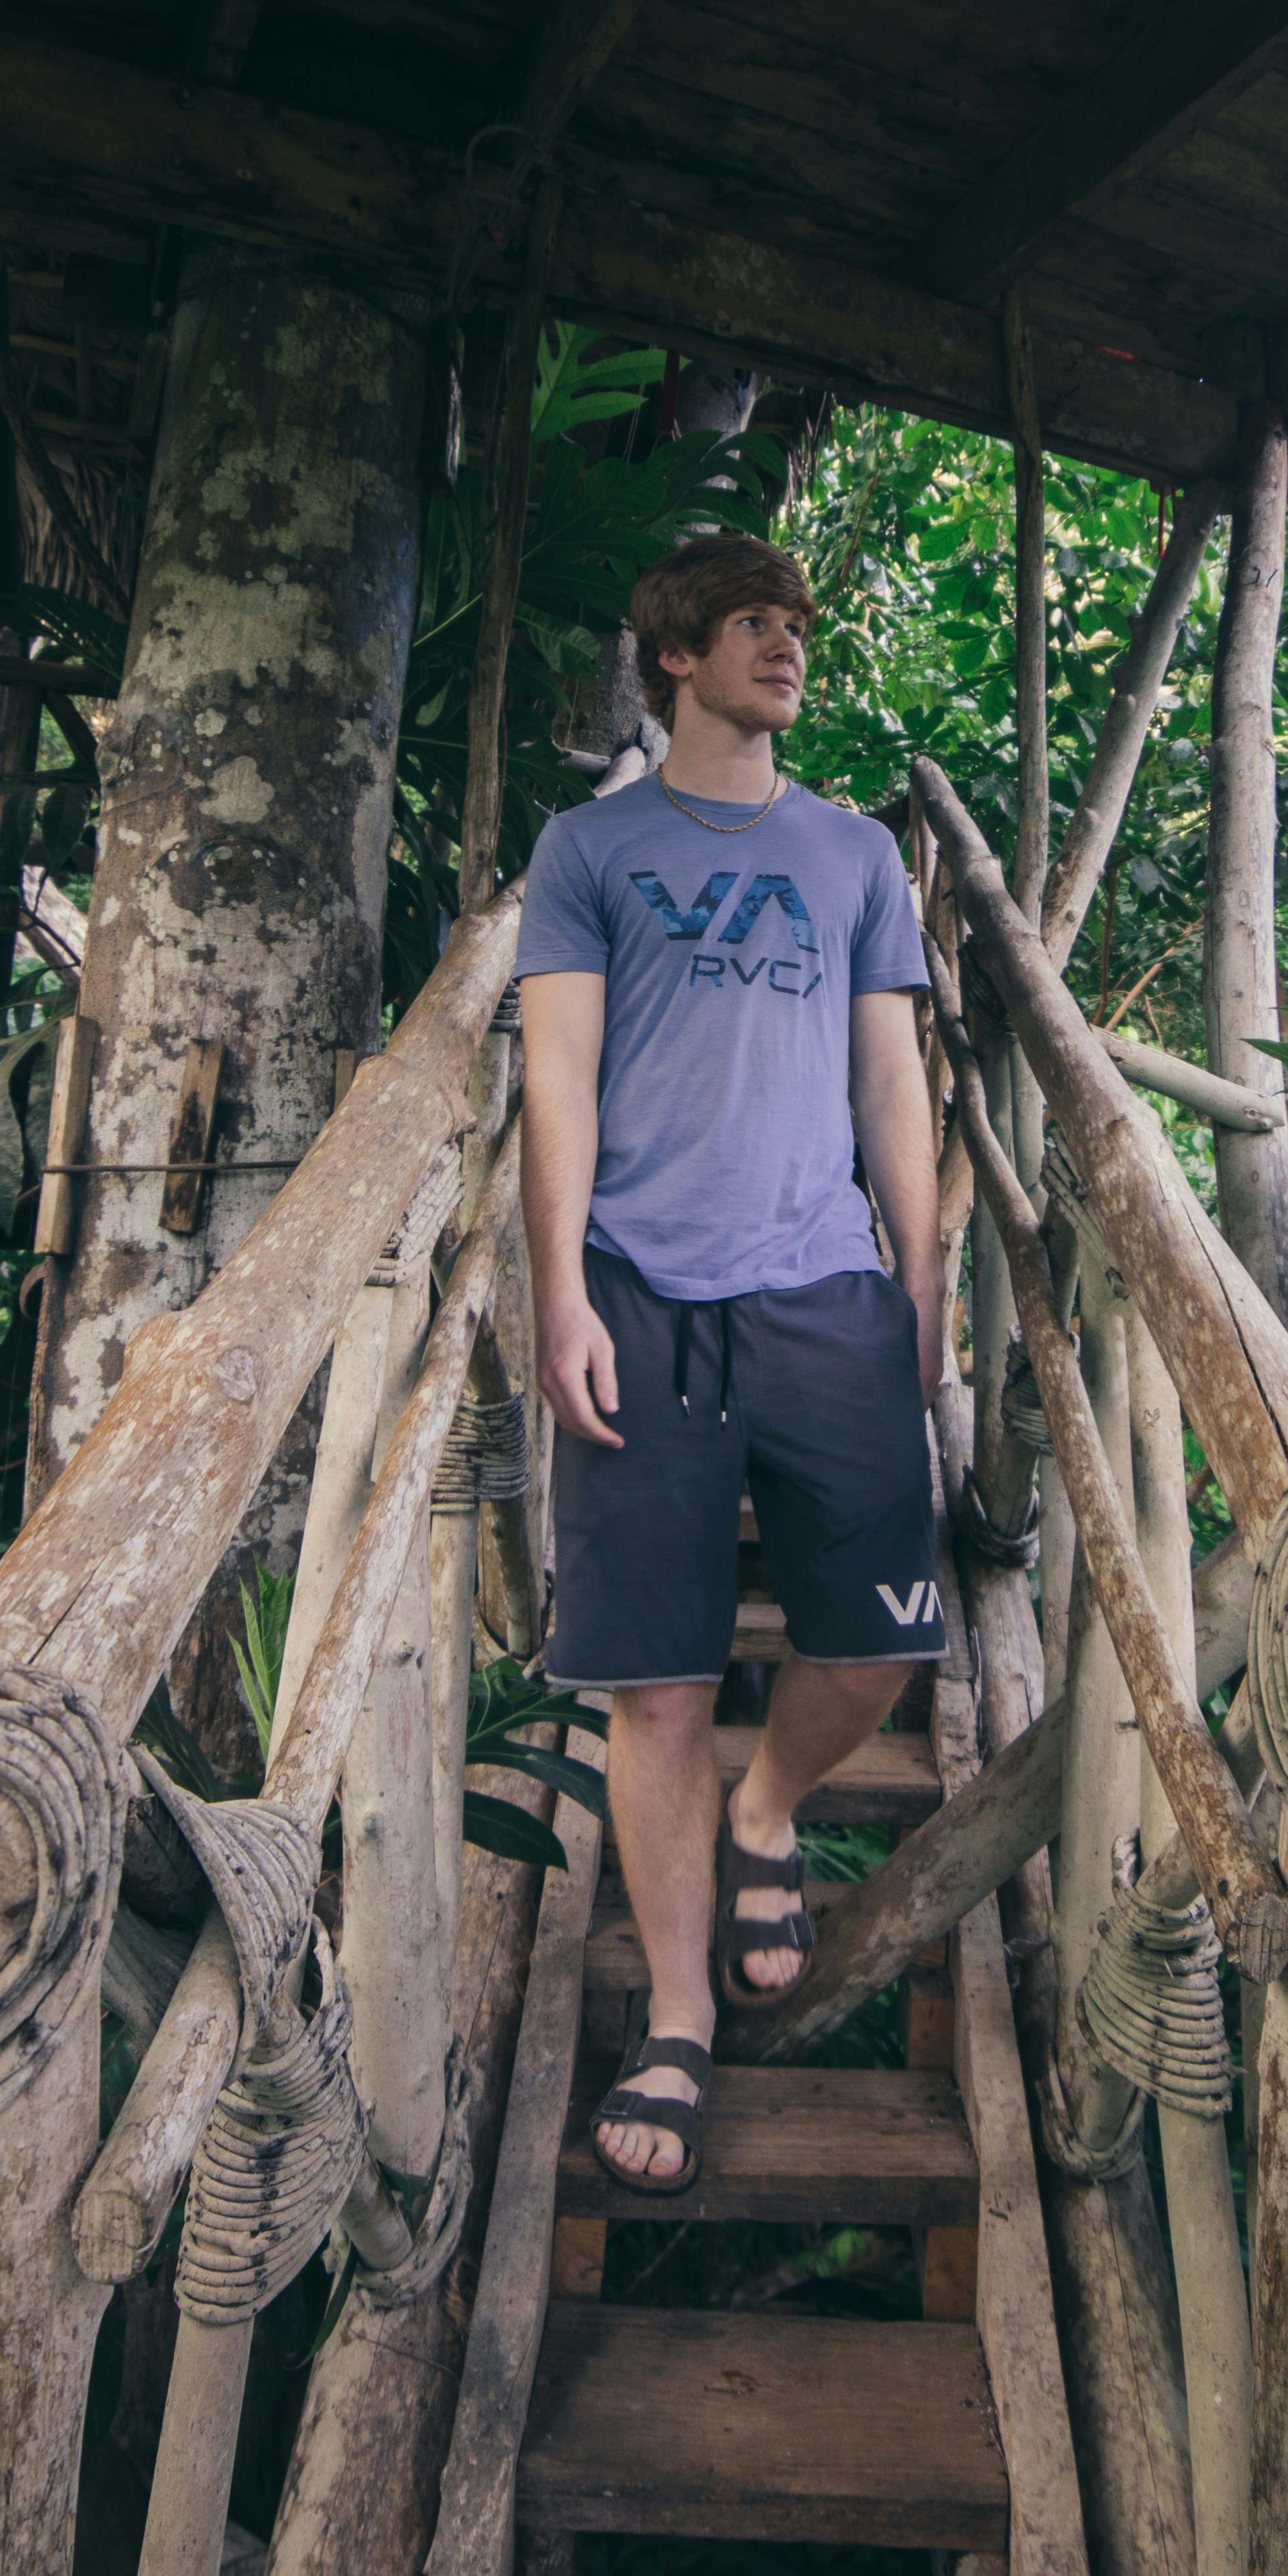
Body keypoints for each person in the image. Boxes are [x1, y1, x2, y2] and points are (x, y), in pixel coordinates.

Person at [517, 532, 943, 2191]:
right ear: (677, 655)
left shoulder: (855, 854)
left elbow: (893, 1081)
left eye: (796, 626)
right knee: (658, 1684)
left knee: (883, 1640)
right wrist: (559, 1292)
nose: (787, 646)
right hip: (639, 1291)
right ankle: (680, 2015)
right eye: (753, 623)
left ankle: (767, 1810)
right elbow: (559, 1079)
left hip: (825, 1285)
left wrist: (923, 1283)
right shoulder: (590, 849)